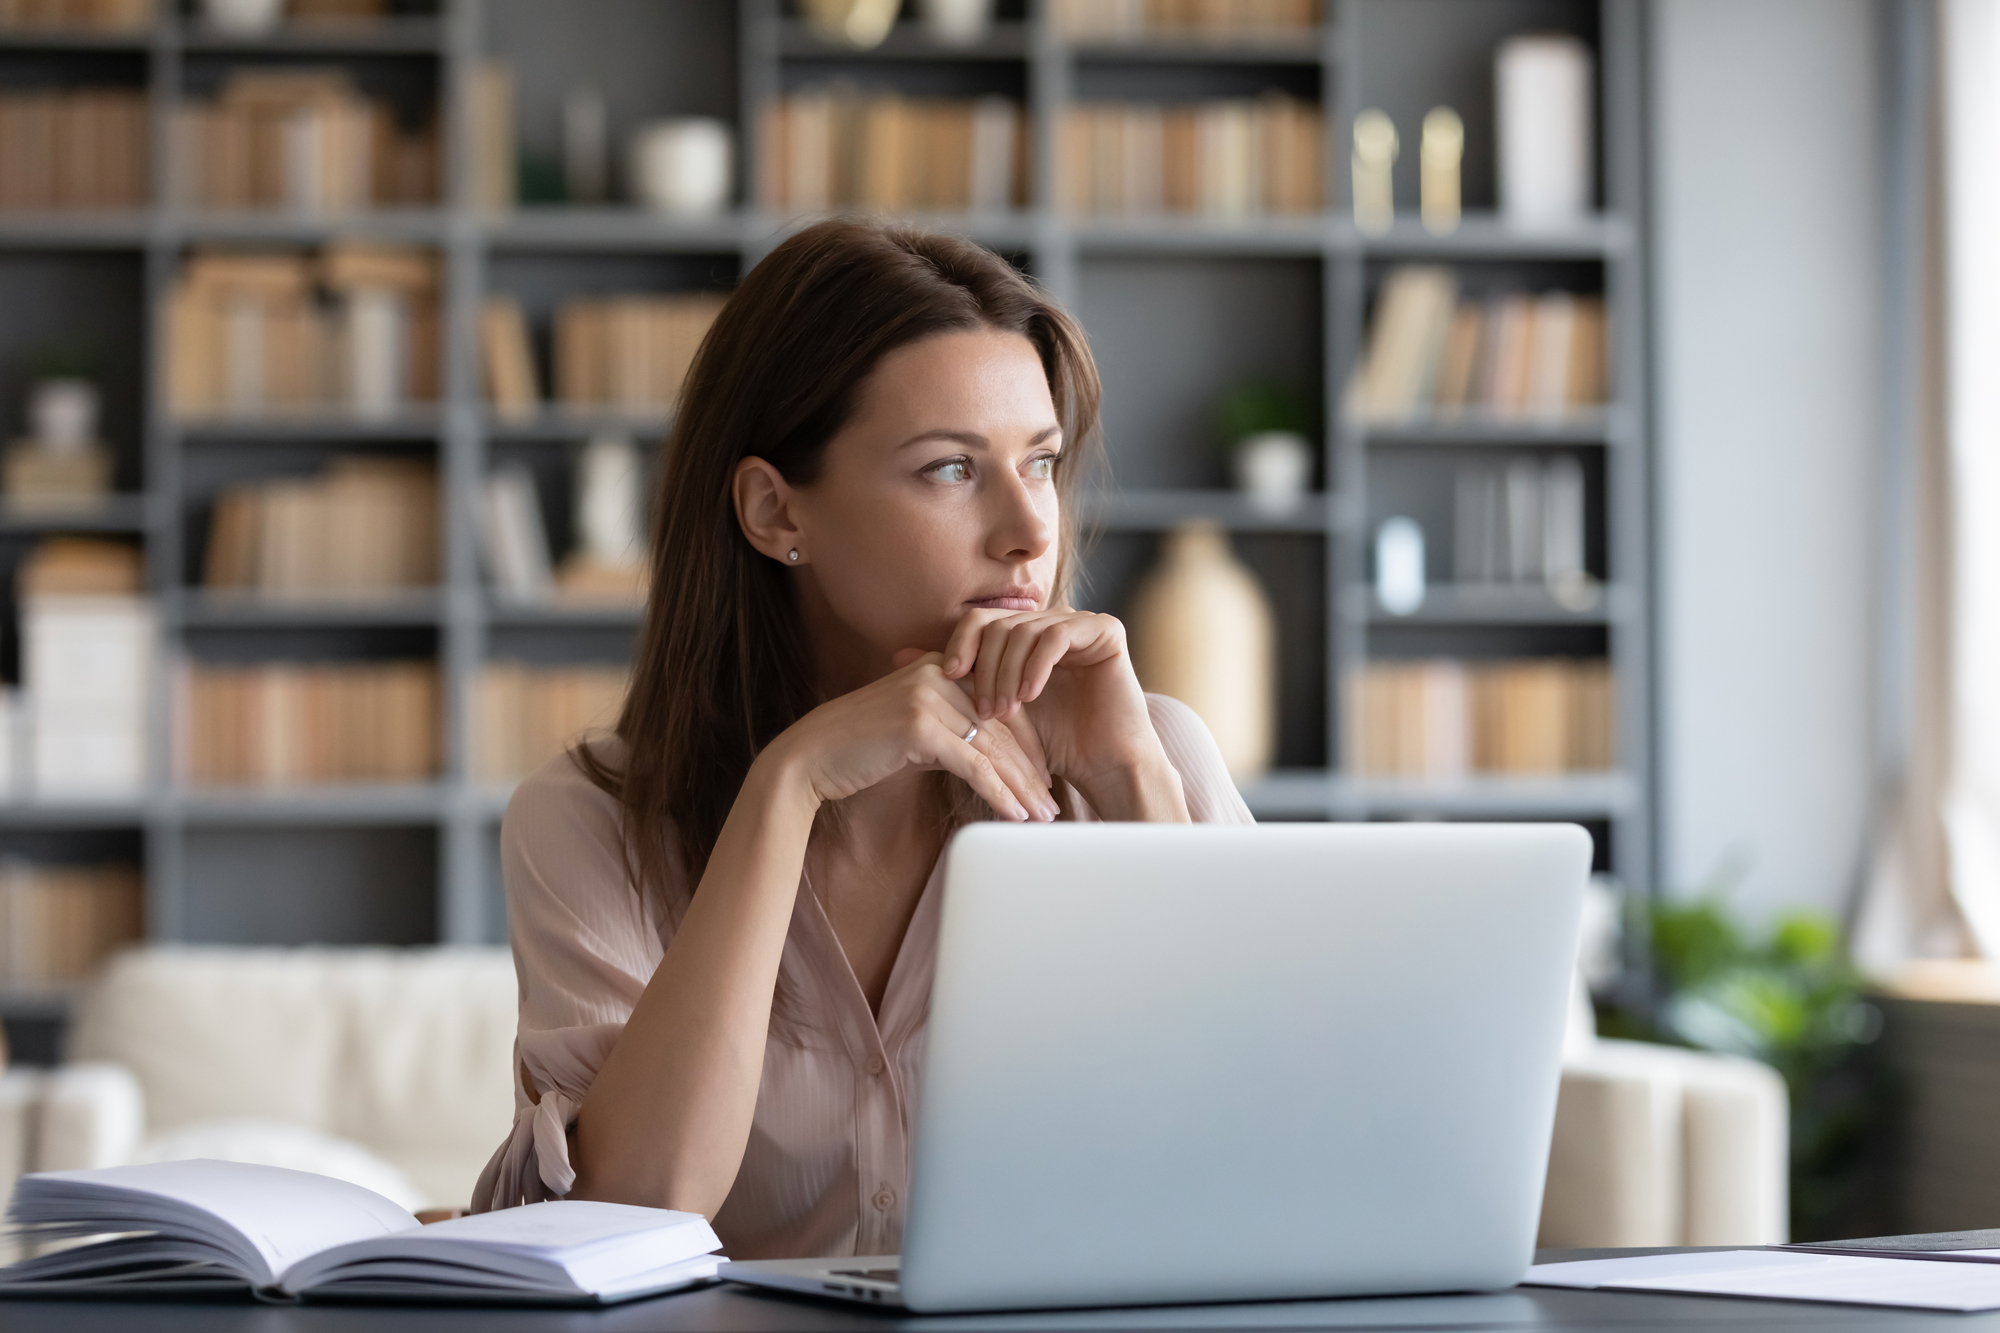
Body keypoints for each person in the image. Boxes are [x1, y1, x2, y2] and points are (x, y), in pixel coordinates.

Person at [471, 219, 1253, 1258]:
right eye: (948, 470)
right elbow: (635, 1208)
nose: (1028, 528)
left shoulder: (1145, 751)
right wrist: (783, 788)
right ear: (772, 510)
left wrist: (1128, 783)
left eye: (1042, 463)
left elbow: (1260, 1154)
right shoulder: (587, 821)